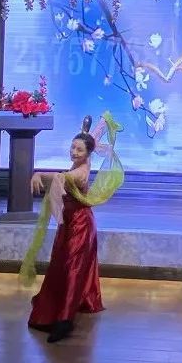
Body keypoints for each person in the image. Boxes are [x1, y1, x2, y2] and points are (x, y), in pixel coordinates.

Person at [21, 112, 124, 343]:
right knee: (60, 266)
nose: (74, 152)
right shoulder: (85, 155)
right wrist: (102, 122)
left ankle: (64, 320)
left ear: (88, 154)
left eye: (79, 150)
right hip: (69, 223)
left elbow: (60, 178)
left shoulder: (80, 172)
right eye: (72, 147)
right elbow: (93, 137)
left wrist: (38, 174)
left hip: (81, 225)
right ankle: (59, 305)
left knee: (73, 270)